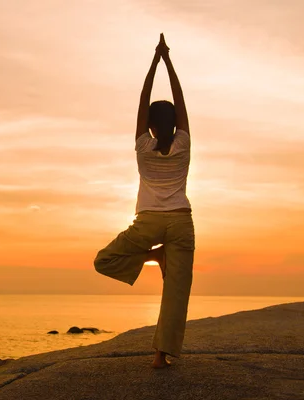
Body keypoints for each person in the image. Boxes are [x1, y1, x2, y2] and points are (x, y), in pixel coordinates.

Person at [94, 33, 195, 369]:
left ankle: (154, 254)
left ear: (150, 124)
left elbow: (143, 99)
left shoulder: (142, 145)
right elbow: (180, 100)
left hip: (148, 220)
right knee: (176, 295)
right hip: (181, 221)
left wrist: (155, 60)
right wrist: (169, 61)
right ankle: (159, 356)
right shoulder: (183, 142)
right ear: (175, 122)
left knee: (103, 260)